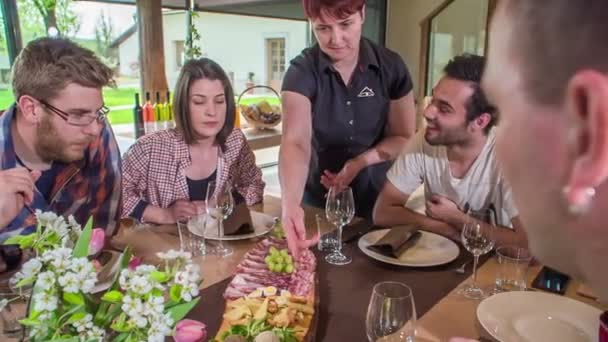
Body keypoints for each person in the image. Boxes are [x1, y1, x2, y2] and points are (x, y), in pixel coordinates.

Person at [279, 0, 416, 256]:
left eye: (345, 24)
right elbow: (295, 141)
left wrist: (359, 163)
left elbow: (404, 136)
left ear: (362, 14)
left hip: (379, 202)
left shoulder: (391, 67)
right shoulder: (302, 71)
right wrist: (290, 204)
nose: (336, 39)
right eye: (323, 28)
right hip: (318, 205)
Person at [373, 54, 527, 247]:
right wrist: (441, 227)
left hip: (498, 270)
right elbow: (382, 212)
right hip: (443, 263)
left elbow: (530, 250)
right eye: (433, 100)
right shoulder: (426, 139)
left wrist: (457, 219)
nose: (427, 112)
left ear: (480, 121)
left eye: (444, 108)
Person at [0, 37, 121, 240]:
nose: (94, 129)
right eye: (77, 115)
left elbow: (103, 237)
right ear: (31, 109)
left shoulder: (96, 132)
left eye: (98, 112)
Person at [121, 58, 264, 224]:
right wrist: (164, 215)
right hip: (165, 247)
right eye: (199, 101)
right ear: (183, 104)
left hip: (222, 246)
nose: (212, 112)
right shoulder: (148, 148)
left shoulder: (235, 141)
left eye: (219, 101)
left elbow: (254, 185)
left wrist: (220, 203)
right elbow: (114, 196)